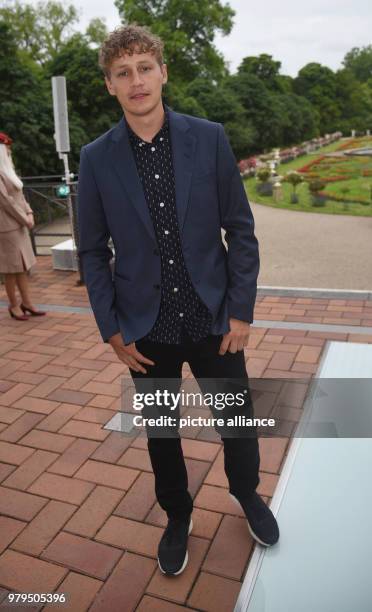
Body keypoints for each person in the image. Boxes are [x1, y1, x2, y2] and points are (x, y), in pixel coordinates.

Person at [77, 24, 279, 576]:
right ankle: (176, 515)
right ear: (109, 86)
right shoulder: (96, 159)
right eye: (123, 73)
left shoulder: (208, 137)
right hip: (145, 330)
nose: (136, 80)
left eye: (145, 67)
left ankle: (248, 494)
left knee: (237, 421)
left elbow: (241, 229)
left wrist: (240, 310)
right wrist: (110, 330)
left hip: (215, 319)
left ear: (163, 72)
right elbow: (92, 252)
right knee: (162, 432)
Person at [0, 132, 46, 320]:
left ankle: (27, 302)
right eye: (7, 148)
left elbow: (19, 195)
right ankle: (13, 306)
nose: (10, 151)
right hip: (7, 228)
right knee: (11, 269)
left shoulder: (8, 170)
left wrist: (29, 212)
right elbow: (6, 201)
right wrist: (24, 219)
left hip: (18, 225)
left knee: (22, 266)